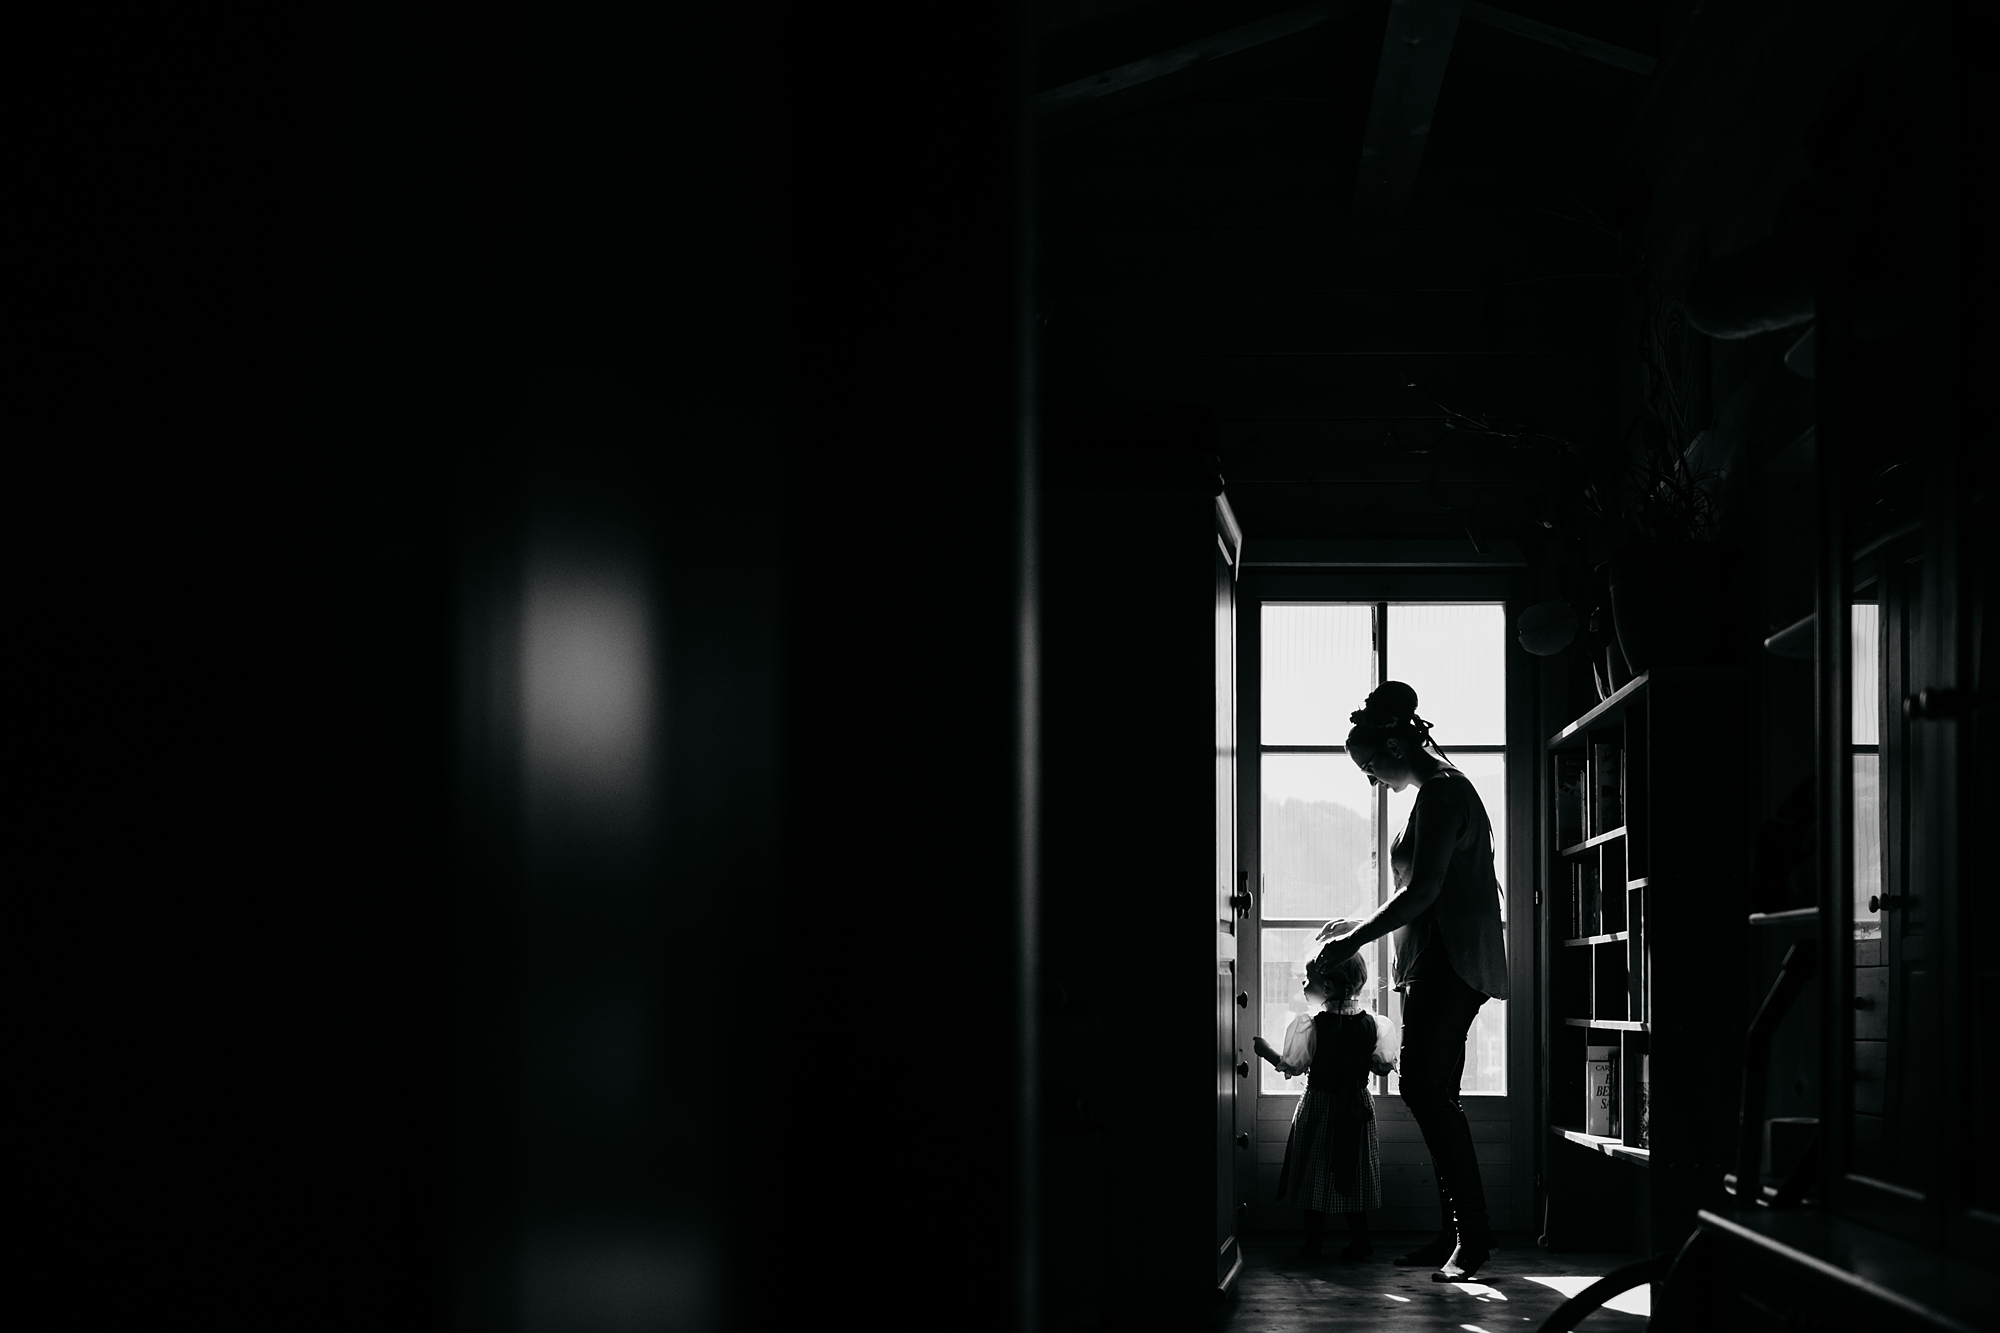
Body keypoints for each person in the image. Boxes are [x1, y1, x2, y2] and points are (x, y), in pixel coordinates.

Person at [1309, 680, 1510, 1281]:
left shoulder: (1445, 795)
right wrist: (1364, 928)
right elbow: (1416, 892)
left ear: (1395, 746)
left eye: (1370, 765)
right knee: (1433, 1093)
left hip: (1451, 965)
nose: (1371, 779)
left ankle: (1472, 1238)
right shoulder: (1436, 793)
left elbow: (1423, 892)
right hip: (1437, 964)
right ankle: (1454, 1235)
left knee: (1426, 1092)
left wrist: (1352, 941)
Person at [1253, 924, 1396, 1263]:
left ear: (1327, 986)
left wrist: (1266, 1051)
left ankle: (1312, 1243)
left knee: (1312, 1171)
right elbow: (1380, 1066)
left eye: (1308, 980)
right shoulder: (1376, 1024)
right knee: (1354, 1174)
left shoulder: (1312, 1025)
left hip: (1320, 1103)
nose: (1304, 986)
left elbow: (1294, 1065)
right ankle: (1361, 1241)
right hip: (1357, 1106)